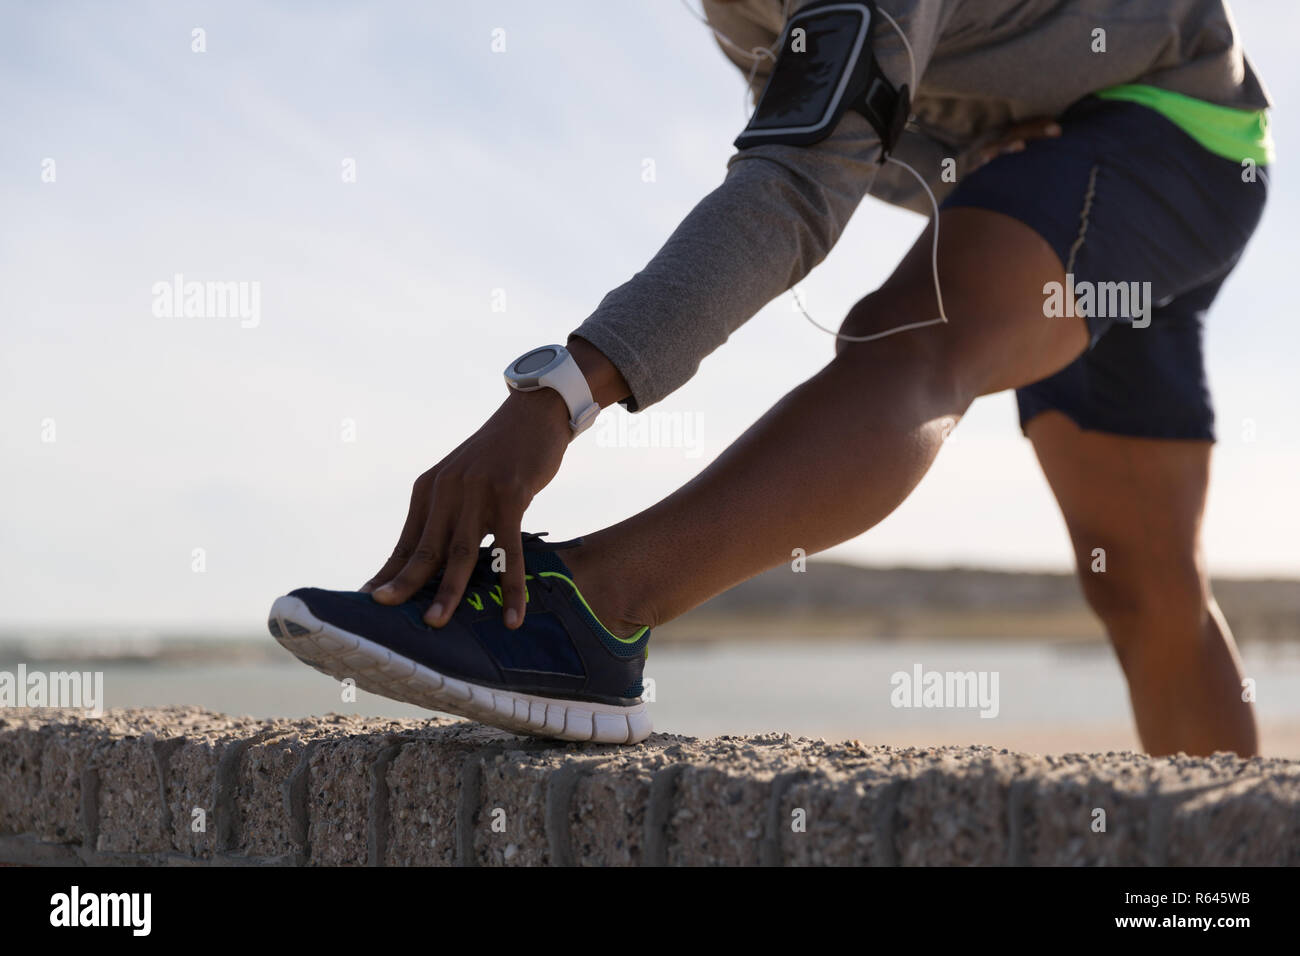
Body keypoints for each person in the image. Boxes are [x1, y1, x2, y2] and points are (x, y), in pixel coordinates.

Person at [269, 0, 1272, 755]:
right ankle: (1220, 877)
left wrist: (559, 391)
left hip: (1170, 128)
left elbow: (797, 184)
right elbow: (837, 128)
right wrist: (969, 167)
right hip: (1130, 166)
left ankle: (597, 614)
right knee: (1144, 587)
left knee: (911, 336)